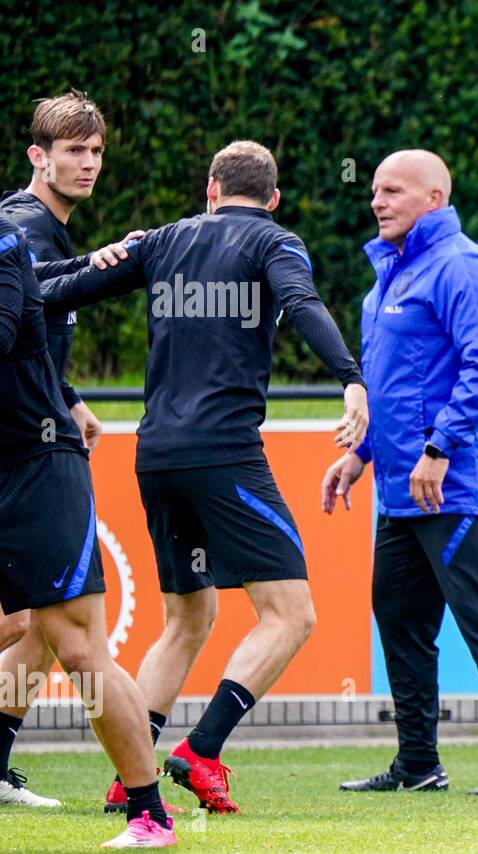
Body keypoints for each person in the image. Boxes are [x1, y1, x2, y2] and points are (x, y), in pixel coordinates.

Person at [40, 140, 369, 814]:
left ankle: (129, 773)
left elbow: (57, 291)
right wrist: (351, 379)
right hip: (224, 454)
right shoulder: (274, 242)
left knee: (189, 616)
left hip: (155, 456)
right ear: (272, 199)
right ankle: (201, 749)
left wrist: (24, 273)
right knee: (291, 613)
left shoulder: (161, 241)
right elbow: (303, 305)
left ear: (211, 189)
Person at [322, 150, 478, 796]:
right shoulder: (388, 276)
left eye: (393, 190)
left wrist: (442, 447)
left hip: (454, 485)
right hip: (398, 492)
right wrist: (358, 456)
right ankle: (418, 764)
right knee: (400, 621)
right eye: (374, 190)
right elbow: (395, 393)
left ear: (434, 198)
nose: (377, 200)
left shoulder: (462, 266)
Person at [0, 210, 175, 848]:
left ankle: (150, 816)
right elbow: (46, 284)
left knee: (77, 649)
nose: (89, 163)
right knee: (24, 630)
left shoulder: (4, 241)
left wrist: (106, 263)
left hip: (38, 471)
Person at [0, 89, 140, 809]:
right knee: (56, 633)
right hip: (26, 455)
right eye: (72, 151)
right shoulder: (23, 224)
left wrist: (72, 397)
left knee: (38, 632)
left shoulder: (36, 228)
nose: (86, 164)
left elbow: (27, 329)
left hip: (36, 434)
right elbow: (39, 291)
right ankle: (147, 804)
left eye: (95, 152)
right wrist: (97, 268)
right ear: (38, 156)